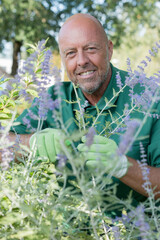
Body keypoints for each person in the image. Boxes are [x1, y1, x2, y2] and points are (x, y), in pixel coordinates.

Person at [5, 13, 160, 214]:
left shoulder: (151, 99)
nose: (81, 61)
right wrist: (29, 144)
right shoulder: (54, 98)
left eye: (90, 49)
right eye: (71, 53)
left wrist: (123, 166)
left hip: (134, 231)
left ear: (109, 49)